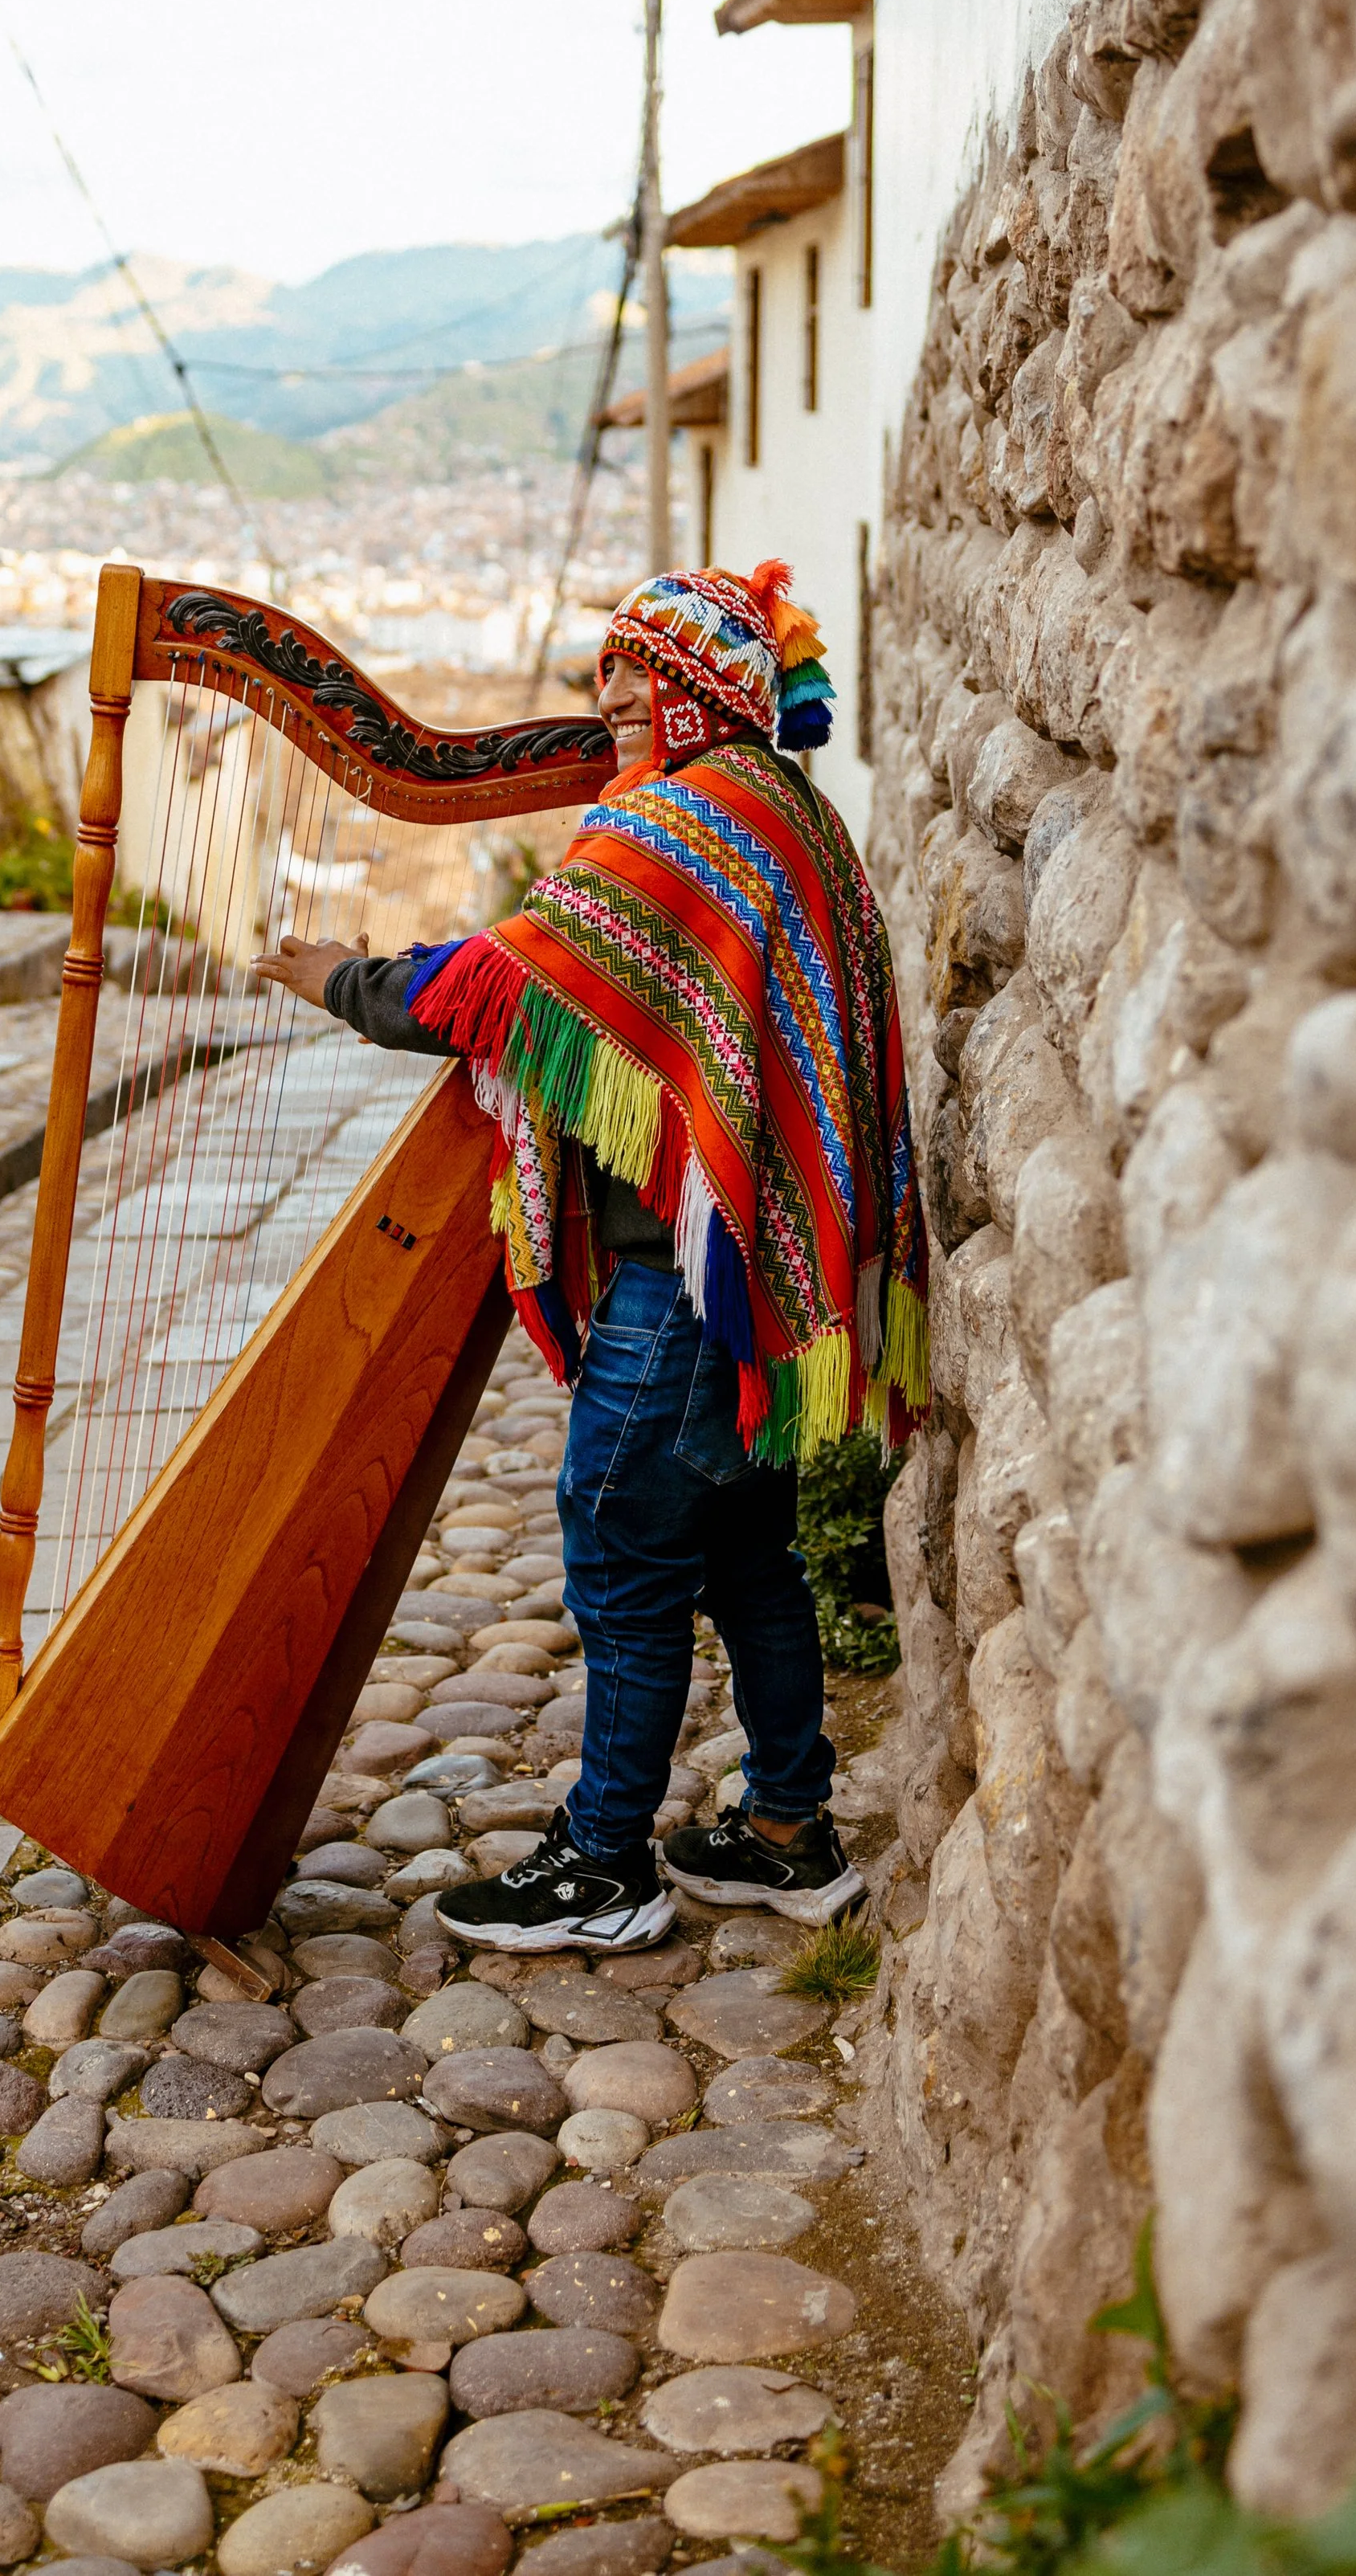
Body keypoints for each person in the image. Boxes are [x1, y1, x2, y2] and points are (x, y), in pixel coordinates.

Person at [252, 558, 926, 1954]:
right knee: (747, 1555)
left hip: (682, 1288)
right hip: (753, 1274)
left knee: (619, 1549)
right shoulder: (784, 809)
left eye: (639, 668)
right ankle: (788, 1830)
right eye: (610, 665)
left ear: (703, 688)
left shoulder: (691, 819)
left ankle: (604, 1862)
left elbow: (506, 977)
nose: (610, 691)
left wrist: (339, 981)